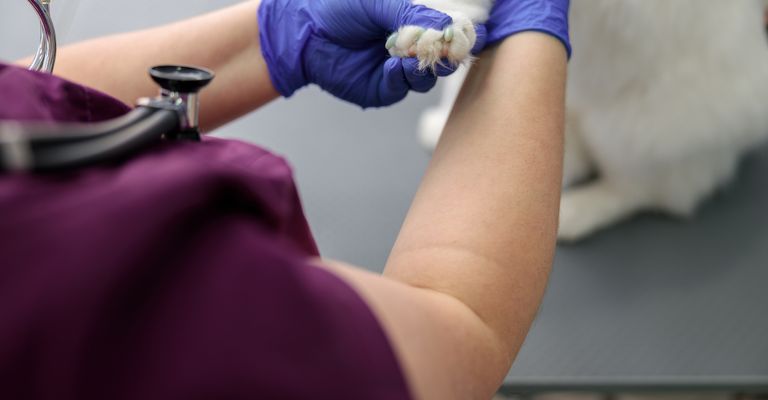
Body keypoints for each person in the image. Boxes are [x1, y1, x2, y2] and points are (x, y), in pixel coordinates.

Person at [1, 0, 569, 398]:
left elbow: (29, 111)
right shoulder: (136, 292)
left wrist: (278, 30)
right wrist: (529, 28)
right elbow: (457, 334)